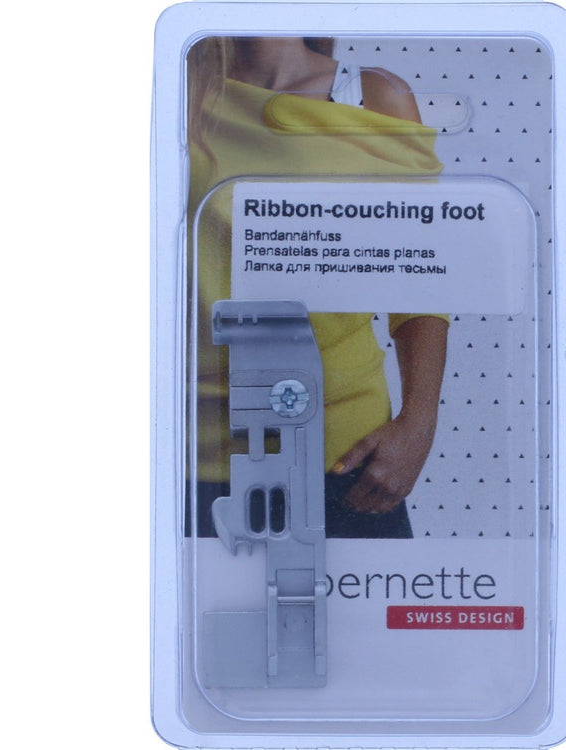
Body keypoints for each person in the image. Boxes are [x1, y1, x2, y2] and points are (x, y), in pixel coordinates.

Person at [188, 37, 448, 538]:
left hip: (342, 451)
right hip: (188, 446)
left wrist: (418, 425)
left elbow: (419, 274)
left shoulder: (372, 96)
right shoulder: (173, 91)